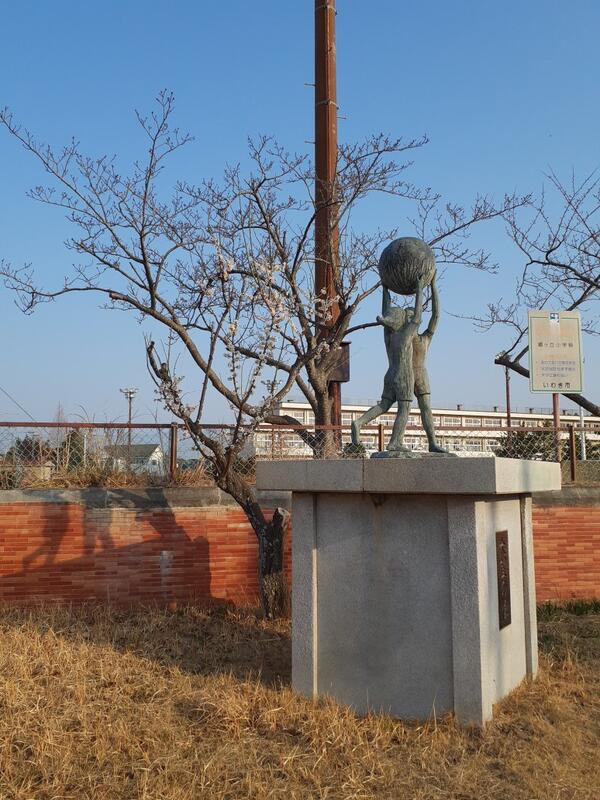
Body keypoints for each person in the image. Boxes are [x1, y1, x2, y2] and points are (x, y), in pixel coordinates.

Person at [351, 276, 424, 454]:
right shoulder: (405, 335)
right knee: (404, 408)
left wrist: (385, 289)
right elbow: (418, 317)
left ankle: (359, 422)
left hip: (390, 373)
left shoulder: (389, 335)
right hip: (404, 375)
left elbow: (385, 311)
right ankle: (395, 443)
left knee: (384, 405)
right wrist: (419, 289)